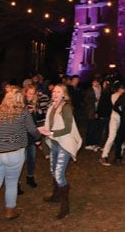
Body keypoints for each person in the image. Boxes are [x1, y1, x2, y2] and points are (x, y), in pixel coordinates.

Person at [0, 85, 41, 227]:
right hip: (14, 153)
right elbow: (33, 130)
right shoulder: (23, 112)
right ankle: (9, 211)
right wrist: (39, 136)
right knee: (11, 183)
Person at [39, 84, 82, 219]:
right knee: (53, 170)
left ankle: (65, 206)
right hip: (55, 143)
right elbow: (49, 125)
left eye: (59, 92)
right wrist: (45, 132)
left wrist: (50, 132)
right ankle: (56, 195)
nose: (55, 94)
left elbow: (68, 129)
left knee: (58, 174)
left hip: (64, 143)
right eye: (54, 91)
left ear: (64, 94)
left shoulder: (66, 107)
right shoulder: (52, 106)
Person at [23, 84, 44, 187]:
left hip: (32, 135)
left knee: (32, 158)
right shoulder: (21, 103)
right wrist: (26, 111)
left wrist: (38, 111)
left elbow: (37, 119)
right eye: (29, 93)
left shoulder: (35, 103)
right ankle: (16, 183)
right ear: (25, 92)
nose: (31, 95)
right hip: (22, 135)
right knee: (21, 160)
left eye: (33, 93)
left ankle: (30, 177)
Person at [100, 81, 125, 165]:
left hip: (122, 118)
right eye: (122, 88)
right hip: (115, 118)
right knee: (112, 136)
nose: (123, 90)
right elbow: (118, 107)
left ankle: (119, 156)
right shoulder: (114, 95)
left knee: (121, 138)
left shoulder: (124, 96)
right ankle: (104, 156)